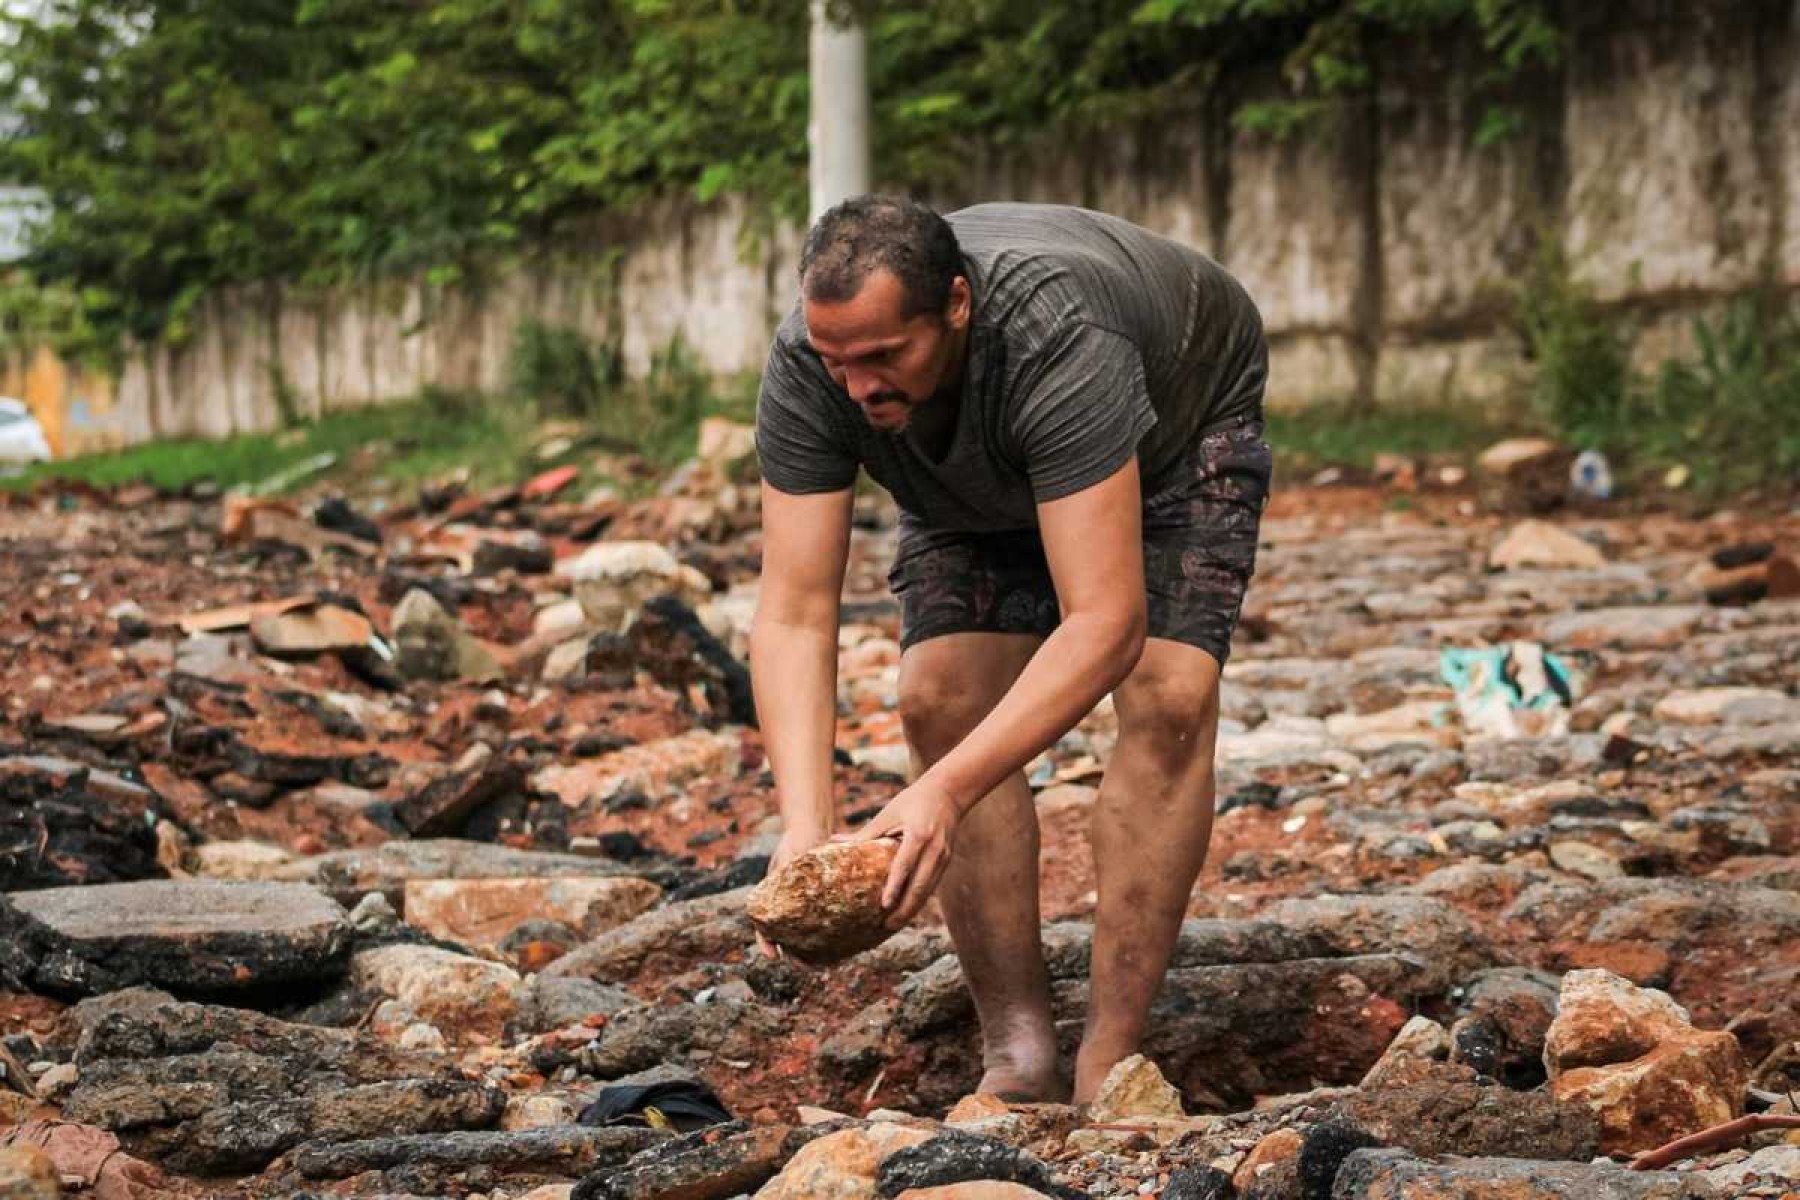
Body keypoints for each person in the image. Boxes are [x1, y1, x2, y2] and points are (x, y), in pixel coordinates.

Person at [749, 195, 1270, 1104]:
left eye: (882, 357)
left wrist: (942, 794)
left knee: (1168, 697)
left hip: (1175, 425)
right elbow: (794, 611)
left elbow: (1105, 622)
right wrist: (803, 825)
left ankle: (1111, 1058)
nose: (859, 386)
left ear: (956, 304)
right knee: (939, 698)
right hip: (973, 464)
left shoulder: (1057, 335)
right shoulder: (810, 367)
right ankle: (1019, 1053)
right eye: (840, 361)